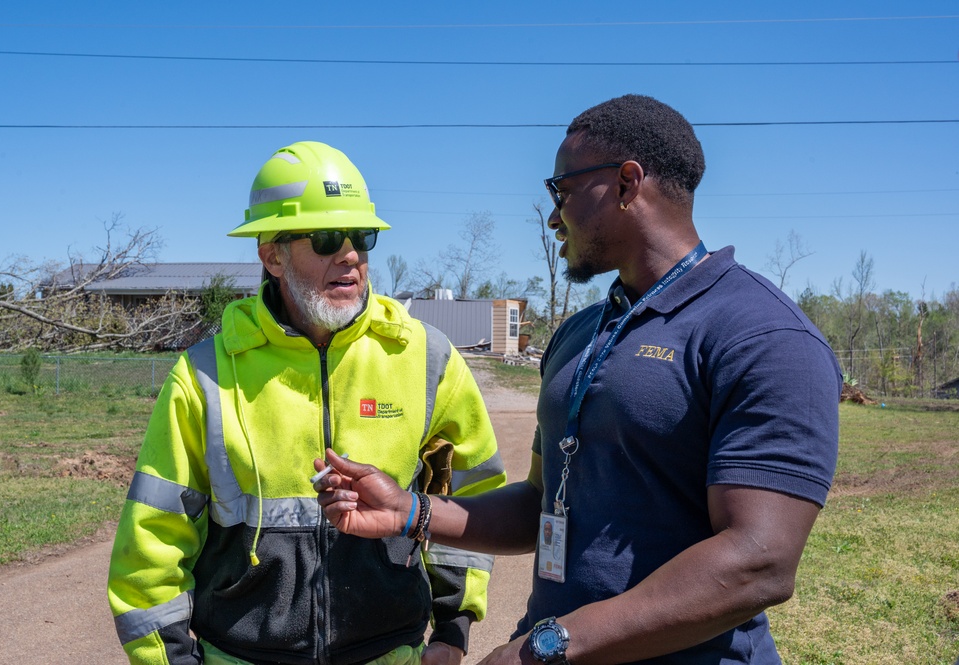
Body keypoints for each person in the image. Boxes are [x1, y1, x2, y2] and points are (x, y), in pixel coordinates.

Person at [314, 96, 841, 664]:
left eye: (560, 190)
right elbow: (545, 502)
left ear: (626, 183)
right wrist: (413, 513)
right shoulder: (581, 333)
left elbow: (758, 562)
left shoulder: (763, 336)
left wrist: (545, 649)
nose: (552, 216)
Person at [107, 141, 507, 665]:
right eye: (325, 239)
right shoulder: (205, 376)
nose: (350, 256)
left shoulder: (425, 358)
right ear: (271, 254)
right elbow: (151, 547)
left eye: (362, 238)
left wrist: (453, 631)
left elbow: (471, 500)